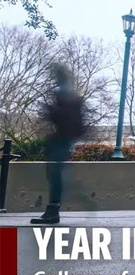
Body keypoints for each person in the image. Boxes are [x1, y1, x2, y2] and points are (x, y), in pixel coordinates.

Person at [31, 64, 86, 225]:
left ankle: (53, 210)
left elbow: (63, 116)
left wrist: (50, 109)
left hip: (61, 138)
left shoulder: (64, 93)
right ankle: (53, 209)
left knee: (55, 173)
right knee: (55, 173)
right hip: (64, 138)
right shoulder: (67, 92)